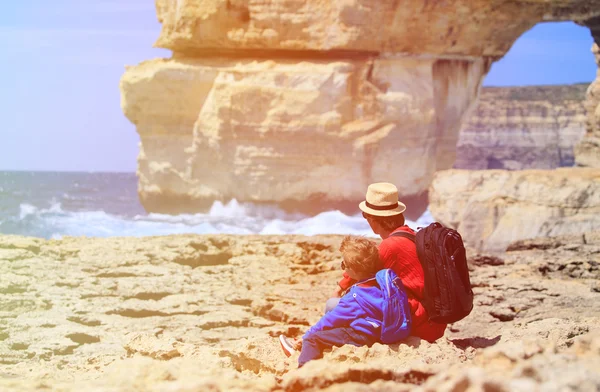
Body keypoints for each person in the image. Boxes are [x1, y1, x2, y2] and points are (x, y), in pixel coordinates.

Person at [333, 182, 446, 343]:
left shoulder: (390, 246)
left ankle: (313, 342)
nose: (366, 220)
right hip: (432, 321)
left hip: (421, 323)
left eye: (366, 216)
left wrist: (339, 289)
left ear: (374, 219)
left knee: (337, 307)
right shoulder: (410, 235)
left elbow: (362, 270)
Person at [279, 236, 406, 367]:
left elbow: (329, 320)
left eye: (343, 265)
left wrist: (305, 336)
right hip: (376, 331)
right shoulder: (379, 284)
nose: (343, 268)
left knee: (313, 339)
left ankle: (303, 368)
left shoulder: (354, 297)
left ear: (352, 269)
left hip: (361, 336)